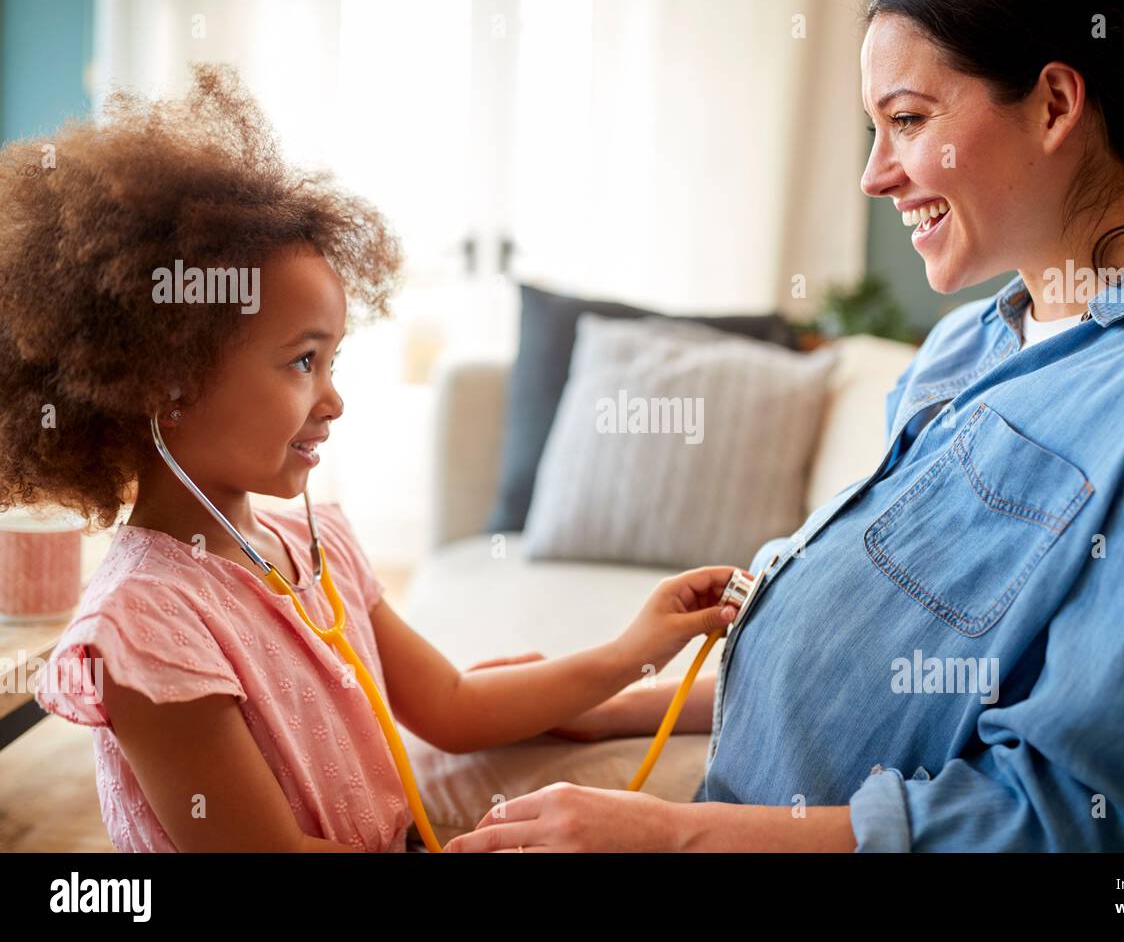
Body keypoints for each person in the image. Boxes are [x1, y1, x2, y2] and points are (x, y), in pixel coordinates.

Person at [443, 0, 1124, 852]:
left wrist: (673, 837)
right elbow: (887, 676)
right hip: (728, 797)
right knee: (409, 755)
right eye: (873, 129)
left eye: (909, 120)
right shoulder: (970, 342)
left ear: (1054, 104)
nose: (874, 174)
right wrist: (600, 708)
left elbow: (1055, 818)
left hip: (734, 829)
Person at [0, 64, 740, 852]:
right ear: (170, 384)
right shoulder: (141, 633)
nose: (333, 399)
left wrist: (633, 651)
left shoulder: (320, 549)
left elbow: (453, 705)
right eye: (300, 362)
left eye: (333, 363)